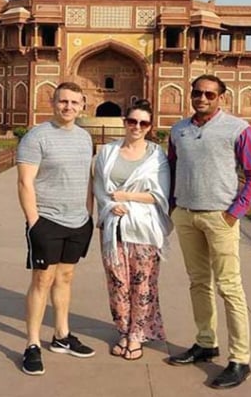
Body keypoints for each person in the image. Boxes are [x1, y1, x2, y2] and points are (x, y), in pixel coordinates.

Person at [166, 74, 251, 389]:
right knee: (198, 283)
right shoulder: (178, 130)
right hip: (187, 214)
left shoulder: (238, 129)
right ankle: (205, 343)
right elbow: (170, 169)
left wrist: (233, 213)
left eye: (210, 94)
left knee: (229, 288)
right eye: (197, 93)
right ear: (190, 95)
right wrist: (173, 206)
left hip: (219, 217)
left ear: (221, 97)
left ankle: (240, 359)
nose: (203, 99)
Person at [16, 82, 95, 376]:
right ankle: (32, 344)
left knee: (66, 277)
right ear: (52, 102)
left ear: (83, 105)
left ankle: (61, 335)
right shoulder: (36, 137)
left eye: (75, 102)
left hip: (77, 220)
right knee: (42, 281)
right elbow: (25, 182)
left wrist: (88, 214)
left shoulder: (85, 138)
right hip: (46, 220)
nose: (69, 107)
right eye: (64, 101)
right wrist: (34, 222)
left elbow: (87, 179)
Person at [93, 99, 172, 361]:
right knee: (118, 283)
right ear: (124, 122)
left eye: (143, 123)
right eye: (132, 121)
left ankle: (138, 335)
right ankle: (124, 331)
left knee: (143, 283)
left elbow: (160, 195)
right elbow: (100, 188)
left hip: (143, 230)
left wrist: (125, 196)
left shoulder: (156, 155)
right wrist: (108, 206)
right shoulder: (108, 152)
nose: (137, 126)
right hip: (114, 227)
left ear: (149, 126)